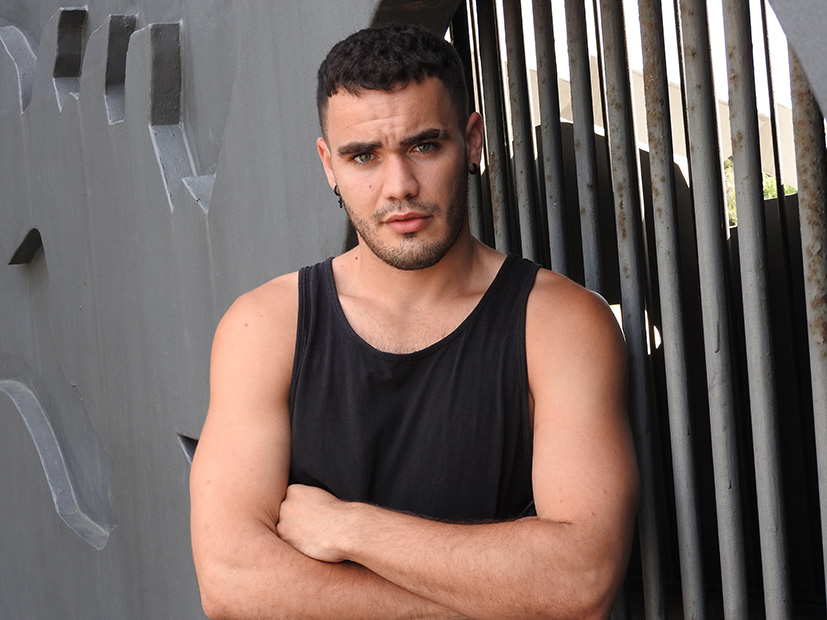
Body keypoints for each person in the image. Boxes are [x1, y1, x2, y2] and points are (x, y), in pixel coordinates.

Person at [189, 22, 639, 620]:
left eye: (424, 146)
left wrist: (351, 528)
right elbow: (232, 583)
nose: (398, 187)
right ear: (328, 165)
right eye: (363, 156)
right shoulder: (265, 327)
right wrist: (498, 601)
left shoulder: (559, 325)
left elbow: (579, 582)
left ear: (472, 141)